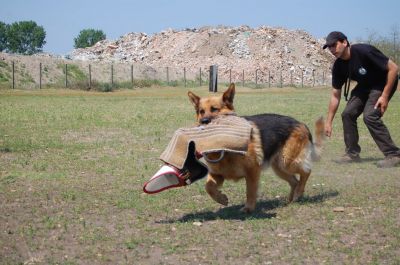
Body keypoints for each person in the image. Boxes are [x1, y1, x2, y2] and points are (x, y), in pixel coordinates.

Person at [323, 31, 400, 168]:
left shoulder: (364, 51)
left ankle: (394, 154)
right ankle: (352, 154)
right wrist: (328, 122)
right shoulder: (338, 66)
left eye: (334, 45)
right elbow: (335, 95)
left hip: (382, 83)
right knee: (347, 114)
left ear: (345, 42)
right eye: (329, 47)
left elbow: (394, 69)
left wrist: (385, 96)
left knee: (370, 116)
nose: (332, 49)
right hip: (365, 86)